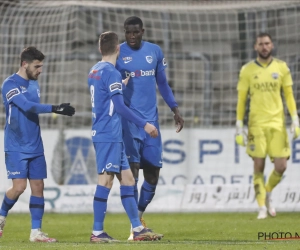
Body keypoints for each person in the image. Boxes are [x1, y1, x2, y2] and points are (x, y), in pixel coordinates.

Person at [88, 31, 163, 242]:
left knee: (128, 179)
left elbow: (104, 98)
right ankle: (97, 233)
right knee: (105, 181)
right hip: (108, 134)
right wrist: (145, 124)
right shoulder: (111, 72)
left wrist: (121, 86)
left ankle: (137, 228)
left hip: (110, 133)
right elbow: (119, 106)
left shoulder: (94, 70)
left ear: (99, 47)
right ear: (118, 49)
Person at [116, 16, 184, 240]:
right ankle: (135, 228)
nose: (132, 36)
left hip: (152, 123)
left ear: (142, 31)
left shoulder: (154, 51)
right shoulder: (117, 53)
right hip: (130, 124)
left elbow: (162, 83)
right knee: (132, 173)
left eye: (135, 32)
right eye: (128, 32)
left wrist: (174, 108)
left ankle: (139, 218)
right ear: (124, 32)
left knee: (153, 175)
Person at [0, 47, 75, 241]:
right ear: (25, 64)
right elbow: (26, 106)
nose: (40, 70)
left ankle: (36, 232)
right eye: (37, 66)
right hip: (16, 145)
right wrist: (56, 108)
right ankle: (1, 217)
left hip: (35, 144)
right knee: (18, 188)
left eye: (41, 66)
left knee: (38, 187)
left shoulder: (34, 84)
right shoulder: (10, 84)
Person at [235, 32, 300, 219]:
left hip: (277, 124)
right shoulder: (247, 70)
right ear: (255, 47)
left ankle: (268, 191)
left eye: (267, 43)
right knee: (258, 165)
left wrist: (295, 119)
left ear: (272, 45)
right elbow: (241, 99)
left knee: (281, 166)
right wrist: (239, 125)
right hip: (256, 125)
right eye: (261, 44)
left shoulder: (281, 68)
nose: (264, 47)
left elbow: (288, 95)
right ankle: (262, 207)